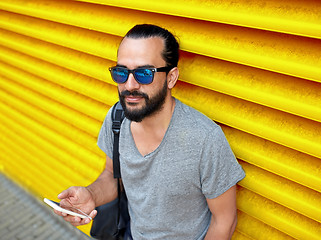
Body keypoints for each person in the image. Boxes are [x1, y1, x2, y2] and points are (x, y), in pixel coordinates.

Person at [56, 24, 245, 240]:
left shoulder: (204, 139)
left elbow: (225, 221)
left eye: (144, 74)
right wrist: (91, 195)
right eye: (121, 72)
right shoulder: (116, 118)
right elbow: (111, 175)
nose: (130, 85)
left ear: (171, 77)